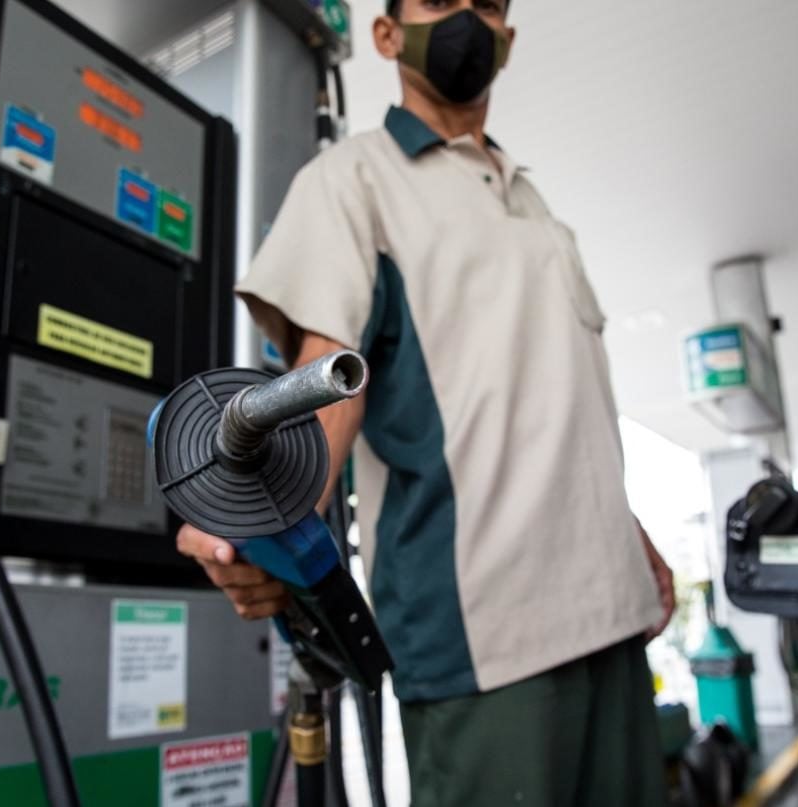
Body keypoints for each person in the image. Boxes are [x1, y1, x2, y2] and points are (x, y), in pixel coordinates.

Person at [177, 0, 676, 803]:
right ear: (385, 35)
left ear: (507, 40)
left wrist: (627, 534)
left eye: (487, 6)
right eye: (442, 1)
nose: (466, 20)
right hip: (488, 644)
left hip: (615, 619)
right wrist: (265, 508)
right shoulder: (353, 180)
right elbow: (327, 375)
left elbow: (548, 408)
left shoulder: (535, 208)